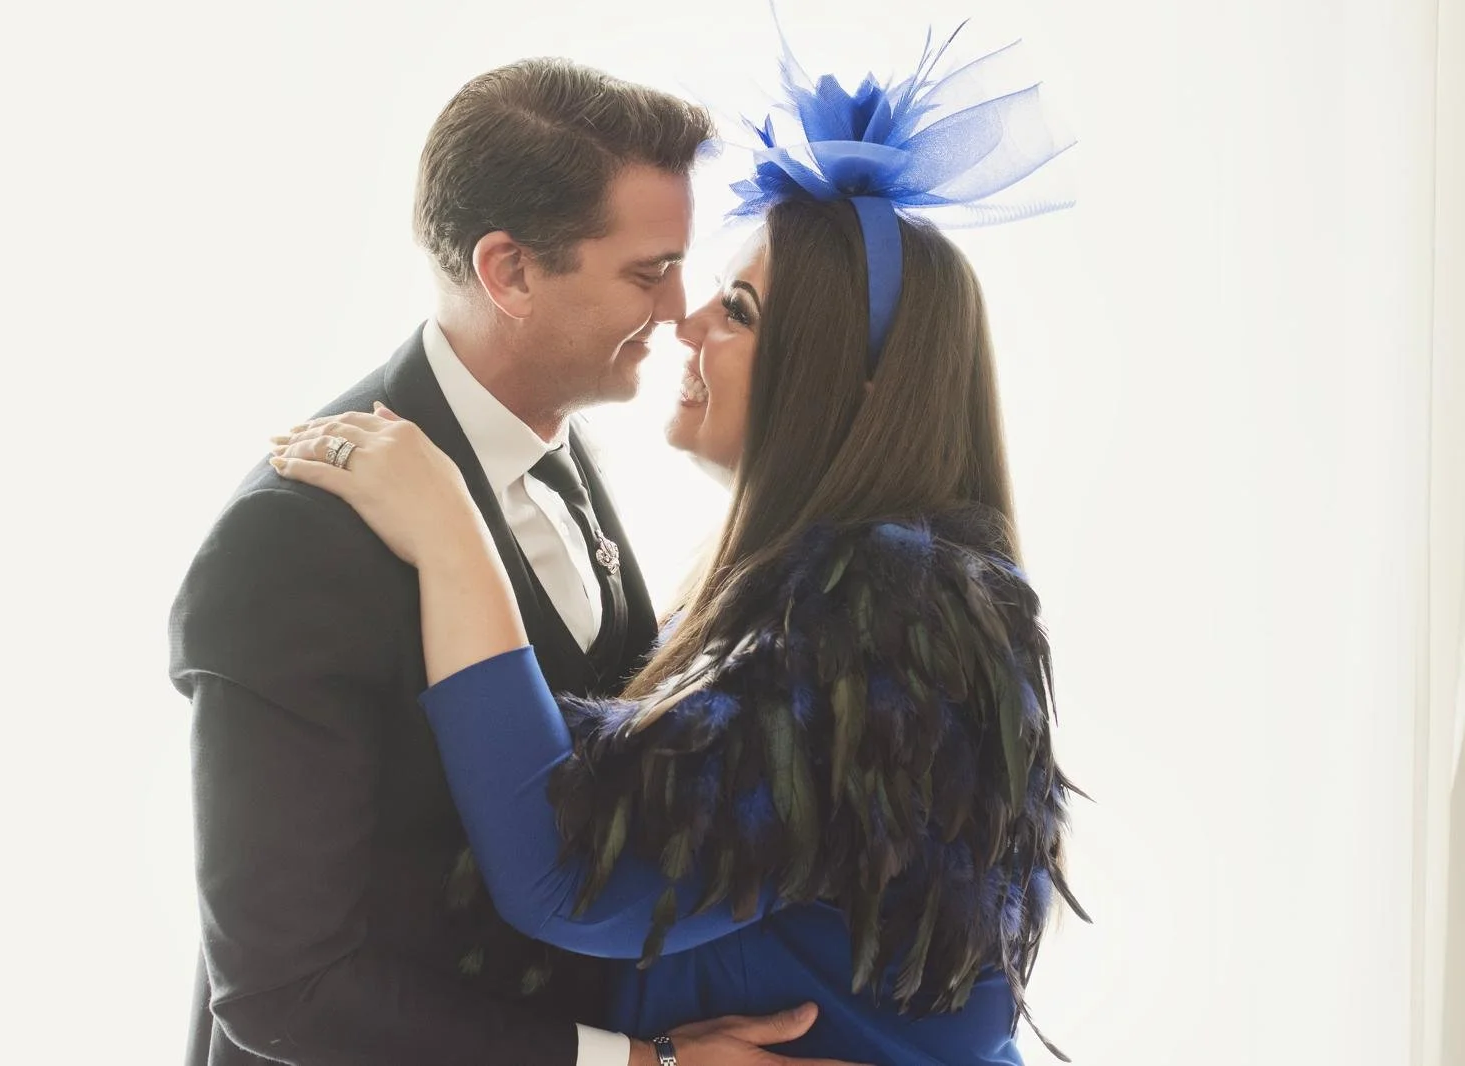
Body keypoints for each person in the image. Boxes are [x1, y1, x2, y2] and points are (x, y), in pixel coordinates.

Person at [267, 22, 1086, 1066]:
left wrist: (449, 532)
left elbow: (571, 876)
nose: (686, 322)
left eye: (737, 308)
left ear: (843, 383)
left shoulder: (887, 612)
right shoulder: (834, 590)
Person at [171, 58, 853, 1066]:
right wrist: (629, 1063)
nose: (678, 310)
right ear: (511, 273)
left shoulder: (565, 451)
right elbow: (284, 992)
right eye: (645, 269)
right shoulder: (289, 544)